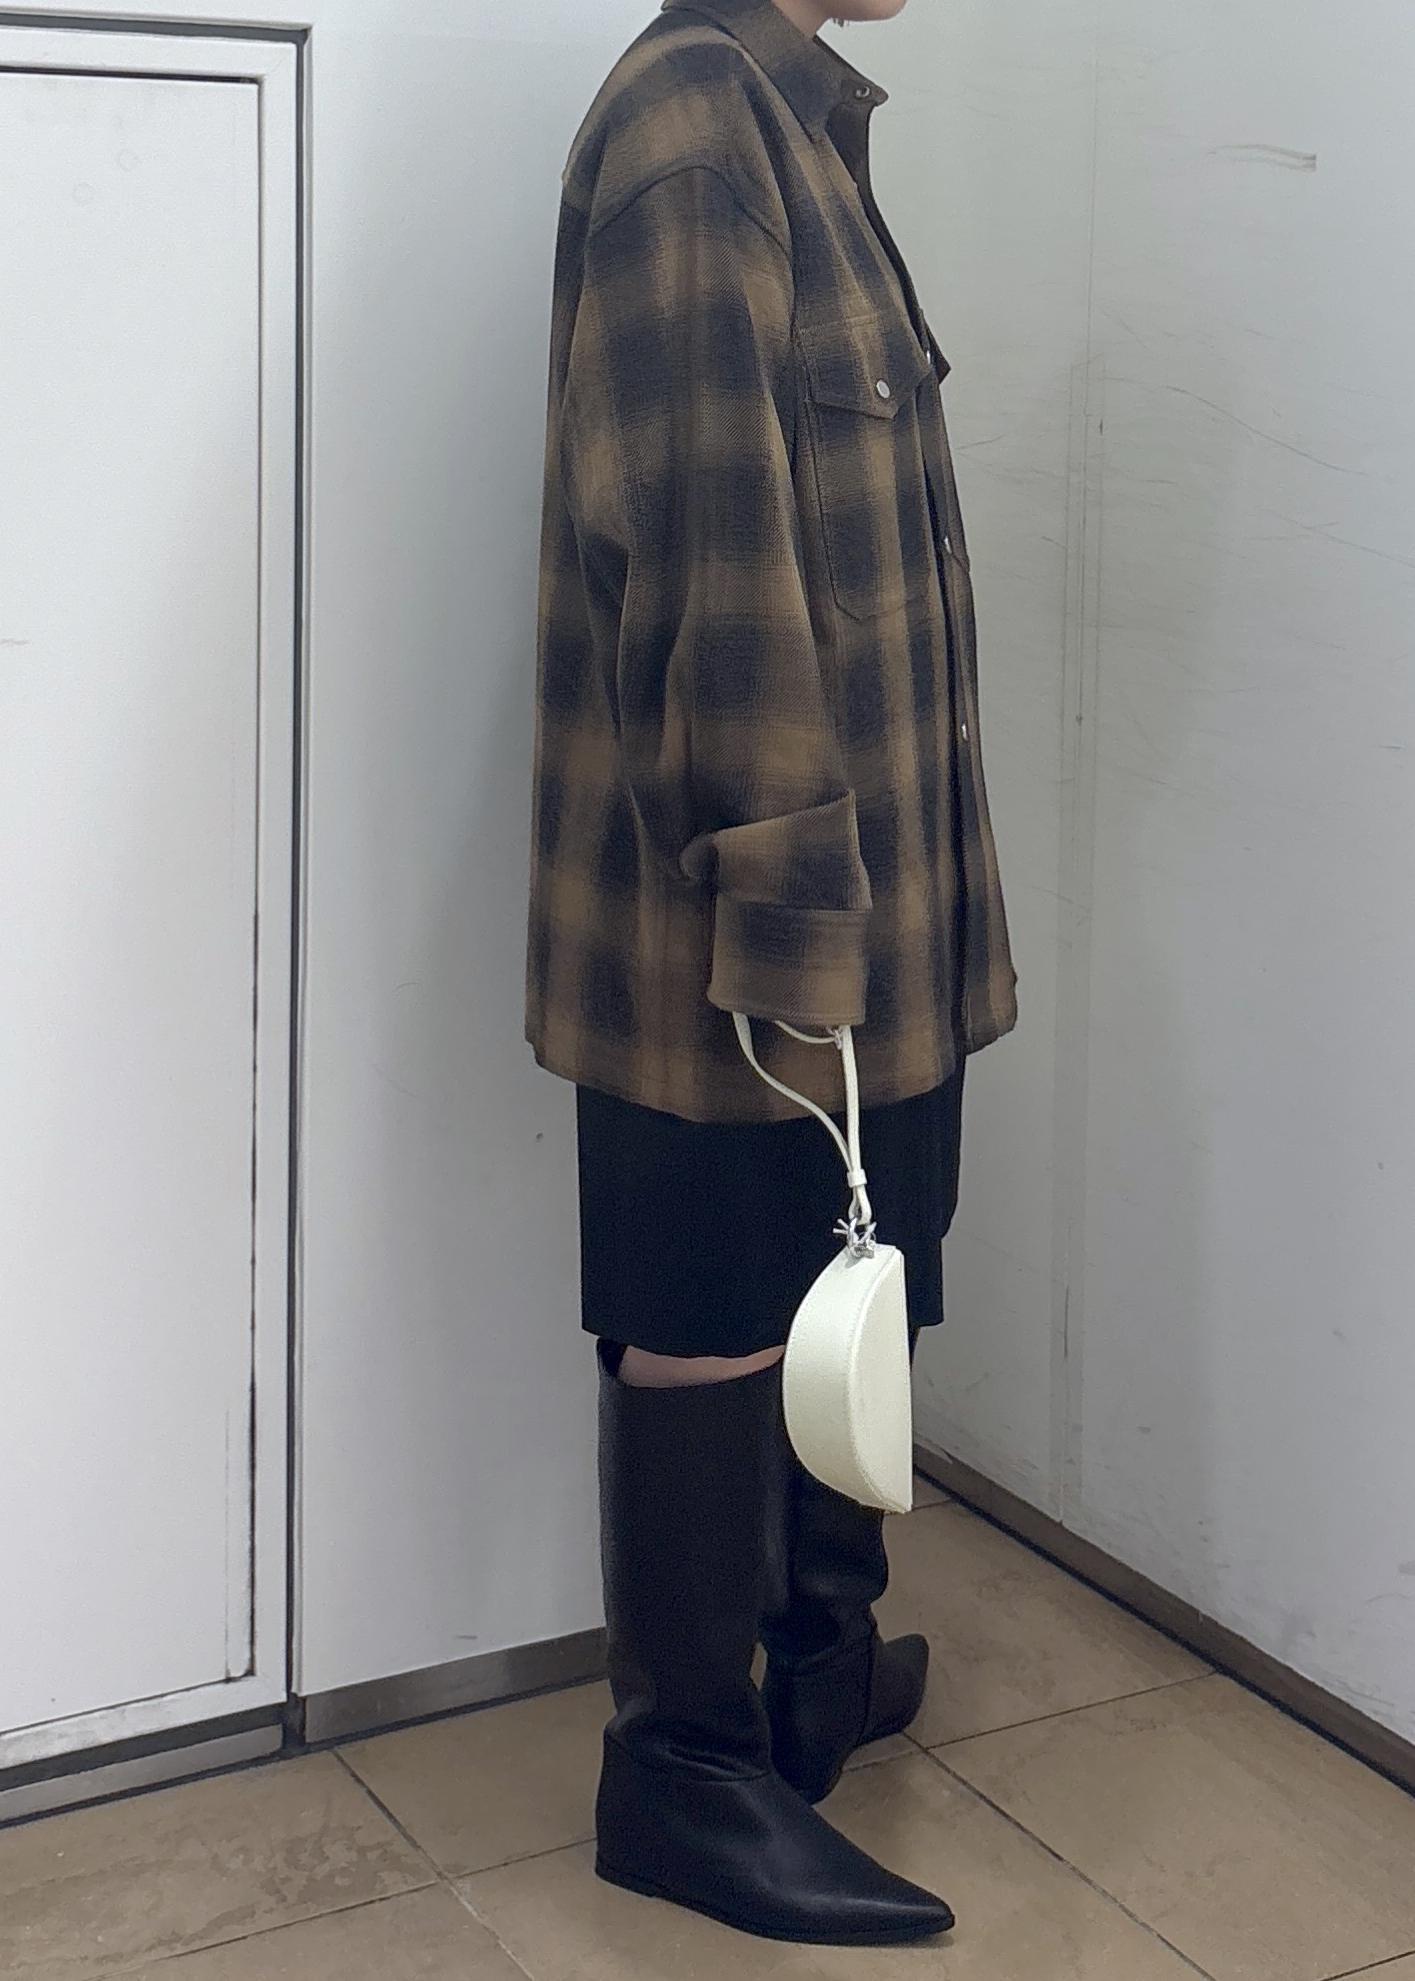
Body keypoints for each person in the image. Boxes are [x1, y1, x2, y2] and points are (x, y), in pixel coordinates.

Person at [524, 0, 1017, 1947]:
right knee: (714, 1305)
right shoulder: (693, 125)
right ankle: (684, 1766)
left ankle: (817, 1660)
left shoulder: (801, 118)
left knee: (857, 1268)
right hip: (732, 910)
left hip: (866, 893)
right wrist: (792, 896)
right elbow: (703, 555)